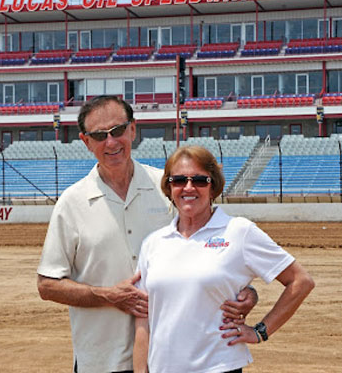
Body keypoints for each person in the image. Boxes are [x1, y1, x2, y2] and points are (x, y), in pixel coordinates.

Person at [37, 96, 258, 373]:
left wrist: (245, 291)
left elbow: (211, 249)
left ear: (132, 130)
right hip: (102, 359)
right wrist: (107, 295)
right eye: (99, 135)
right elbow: (47, 285)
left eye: (118, 131)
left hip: (172, 359)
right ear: (86, 141)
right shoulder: (71, 203)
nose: (111, 142)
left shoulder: (171, 189)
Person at [133, 145, 315, 373]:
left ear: (213, 186)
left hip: (218, 367)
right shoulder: (153, 243)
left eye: (200, 180)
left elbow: (301, 281)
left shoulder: (239, 231)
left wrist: (260, 331)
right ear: (169, 187)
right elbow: (143, 320)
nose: (188, 187)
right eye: (178, 180)